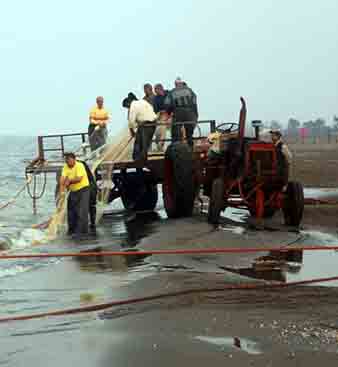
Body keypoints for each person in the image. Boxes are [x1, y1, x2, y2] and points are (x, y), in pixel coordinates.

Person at [60, 153, 90, 239]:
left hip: (83, 189)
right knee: (71, 211)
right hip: (73, 191)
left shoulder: (79, 165)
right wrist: (61, 189)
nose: (68, 162)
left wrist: (69, 181)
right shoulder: (65, 167)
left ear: (74, 159)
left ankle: (83, 233)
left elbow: (79, 178)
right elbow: (62, 178)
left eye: (69, 160)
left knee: (82, 211)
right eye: (66, 161)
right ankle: (71, 231)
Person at [164, 77, 198, 148]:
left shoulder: (172, 92)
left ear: (175, 84)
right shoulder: (189, 90)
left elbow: (167, 104)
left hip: (178, 113)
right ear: (182, 83)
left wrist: (169, 113)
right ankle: (190, 148)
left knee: (176, 133)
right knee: (189, 134)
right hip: (189, 112)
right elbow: (194, 101)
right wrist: (195, 113)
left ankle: (176, 148)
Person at [122, 93, 157, 161]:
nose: (128, 108)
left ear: (128, 103)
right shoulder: (142, 101)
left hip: (145, 124)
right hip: (153, 123)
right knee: (145, 143)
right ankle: (142, 158)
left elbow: (131, 121)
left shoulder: (133, 105)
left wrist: (132, 131)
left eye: (127, 107)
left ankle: (138, 160)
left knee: (140, 143)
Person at [79, 160, 97, 234]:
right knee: (92, 207)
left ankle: (86, 224)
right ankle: (92, 223)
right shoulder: (89, 175)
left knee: (86, 207)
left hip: (88, 189)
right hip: (91, 188)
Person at [153, 83, 172, 151]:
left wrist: (170, 113)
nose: (155, 92)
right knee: (161, 128)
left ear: (160, 89)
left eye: (156, 90)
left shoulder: (169, 94)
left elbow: (174, 104)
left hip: (171, 115)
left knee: (176, 126)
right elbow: (155, 110)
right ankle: (160, 145)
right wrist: (161, 112)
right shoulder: (156, 98)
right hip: (162, 116)